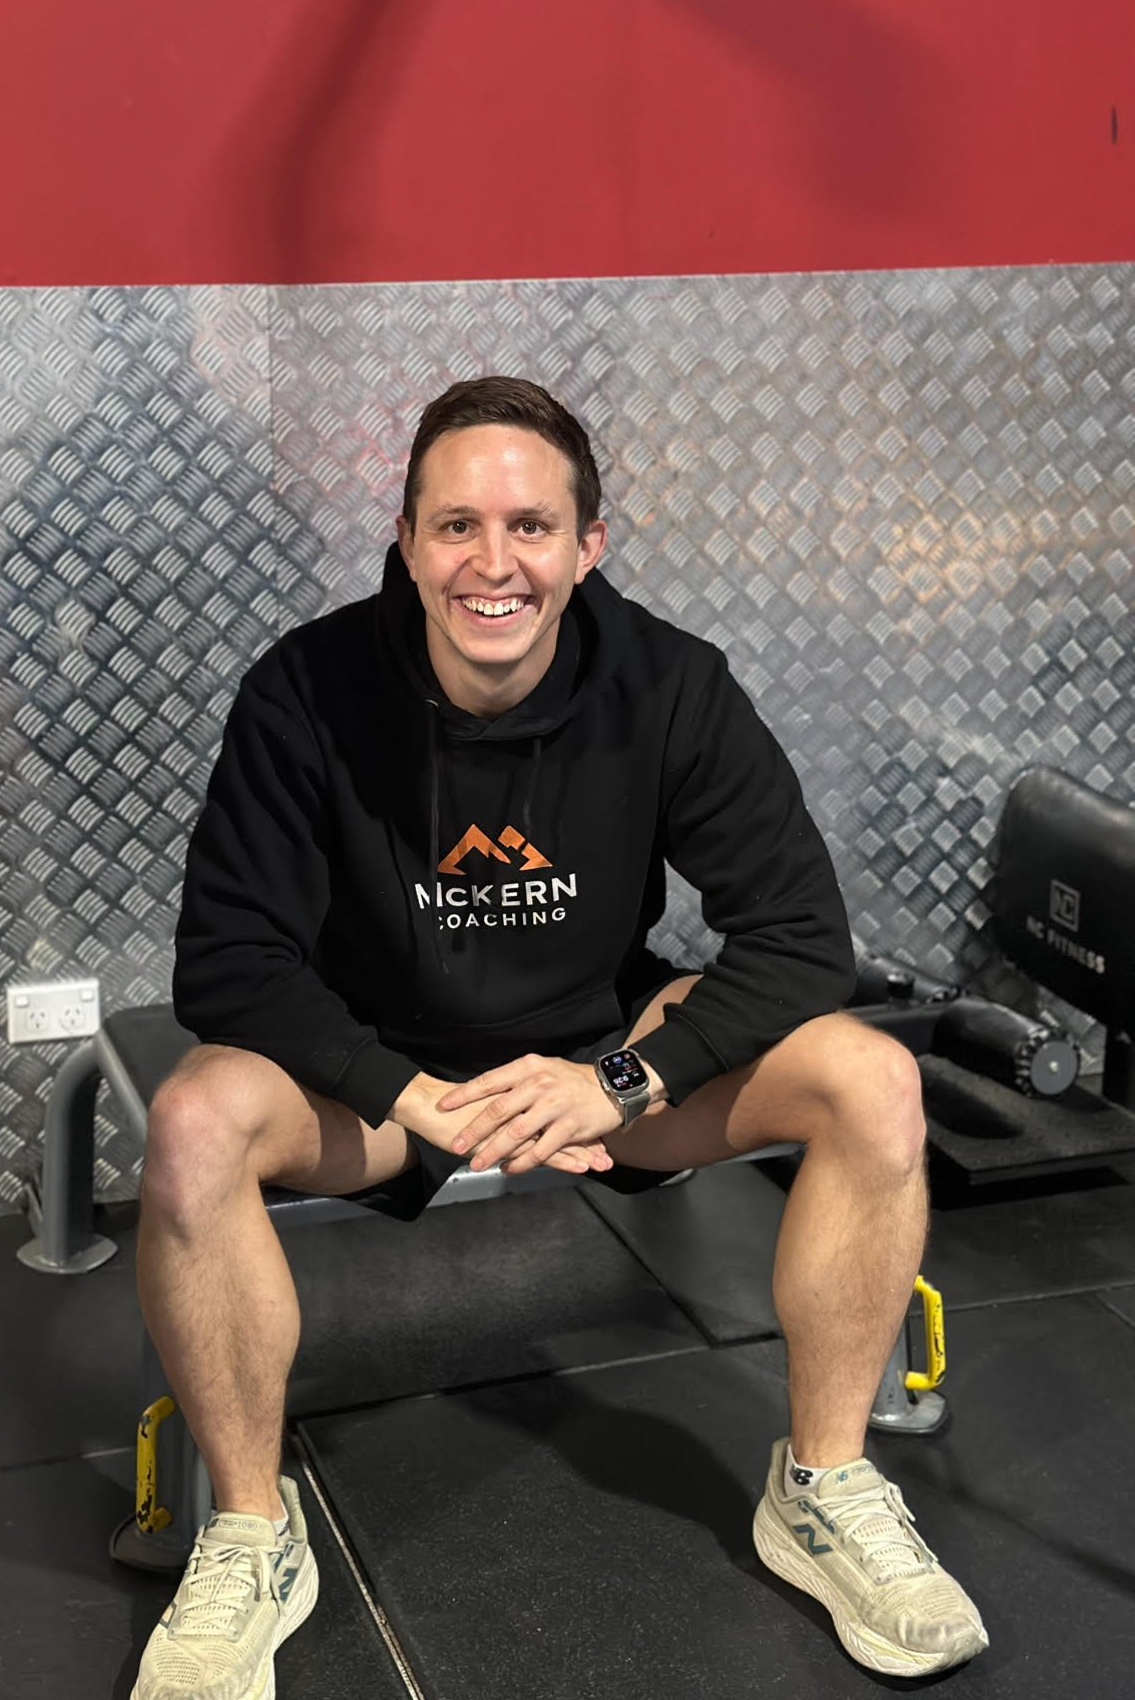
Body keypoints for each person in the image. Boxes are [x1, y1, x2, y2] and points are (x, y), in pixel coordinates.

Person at [131, 377, 988, 1699]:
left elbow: (801, 939)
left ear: (588, 545)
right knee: (192, 1124)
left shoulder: (668, 684)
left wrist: (619, 1078)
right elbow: (226, 963)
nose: (492, 563)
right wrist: (399, 1088)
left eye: (529, 527)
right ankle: (249, 1533)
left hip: (598, 1055)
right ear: (407, 543)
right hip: (376, 1072)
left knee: (869, 1080)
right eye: (454, 526)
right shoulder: (305, 689)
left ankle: (823, 1486)